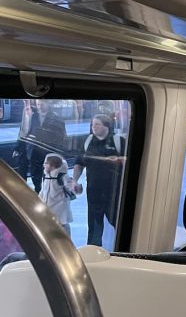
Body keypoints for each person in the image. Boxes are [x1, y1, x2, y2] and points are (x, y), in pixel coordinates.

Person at [71, 114, 126, 247]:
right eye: (92, 125)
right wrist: (74, 180)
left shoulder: (118, 141)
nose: (93, 127)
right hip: (93, 191)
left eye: (97, 124)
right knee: (94, 224)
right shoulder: (88, 142)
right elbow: (79, 163)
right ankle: (93, 250)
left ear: (106, 126)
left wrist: (119, 160)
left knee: (117, 221)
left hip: (114, 192)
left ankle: (125, 248)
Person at [13, 100, 67, 193]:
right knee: (36, 175)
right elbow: (23, 131)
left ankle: (44, 193)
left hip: (48, 151)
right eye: (38, 104)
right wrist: (18, 147)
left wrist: (59, 152)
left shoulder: (56, 118)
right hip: (34, 151)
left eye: (42, 104)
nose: (40, 107)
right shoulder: (32, 116)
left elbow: (61, 136)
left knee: (47, 175)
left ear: (48, 103)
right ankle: (38, 191)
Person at [39, 153, 74, 236]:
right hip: (48, 205)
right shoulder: (46, 176)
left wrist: (74, 187)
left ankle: (66, 240)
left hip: (60, 206)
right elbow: (43, 190)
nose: (44, 165)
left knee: (62, 224)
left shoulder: (62, 176)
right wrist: (39, 199)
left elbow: (70, 187)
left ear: (53, 165)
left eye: (46, 163)